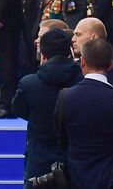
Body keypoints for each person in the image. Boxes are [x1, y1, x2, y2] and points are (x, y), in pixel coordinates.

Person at [57, 38, 113, 189]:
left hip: (75, 178)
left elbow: (61, 138)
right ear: (111, 65)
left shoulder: (64, 98)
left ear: (82, 62)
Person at [14, 28, 84, 185]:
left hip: (39, 158)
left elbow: (19, 109)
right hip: (75, 158)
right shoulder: (83, 81)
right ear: (70, 52)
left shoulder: (28, 84)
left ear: (43, 55)